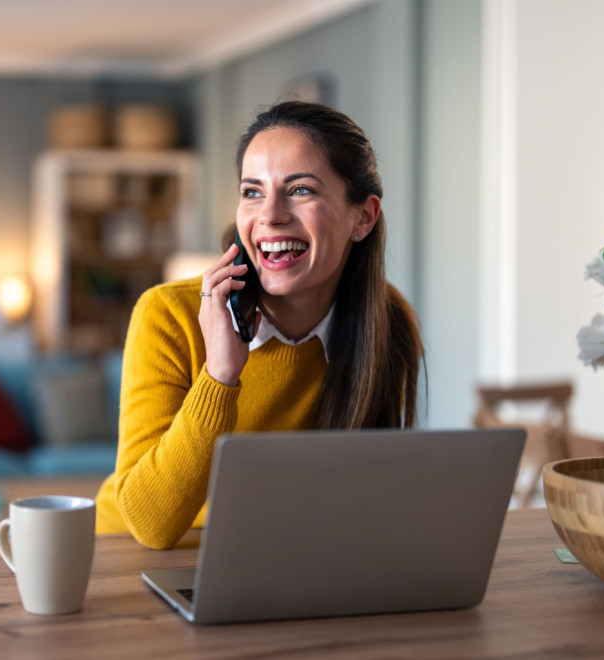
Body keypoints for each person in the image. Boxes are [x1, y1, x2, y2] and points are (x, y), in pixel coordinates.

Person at [94, 101, 425, 549]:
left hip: (275, 553)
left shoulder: (387, 322)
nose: (270, 215)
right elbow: (152, 526)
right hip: (129, 558)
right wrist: (220, 375)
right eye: (252, 192)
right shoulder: (167, 315)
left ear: (362, 218)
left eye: (300, 190)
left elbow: (371, 494)